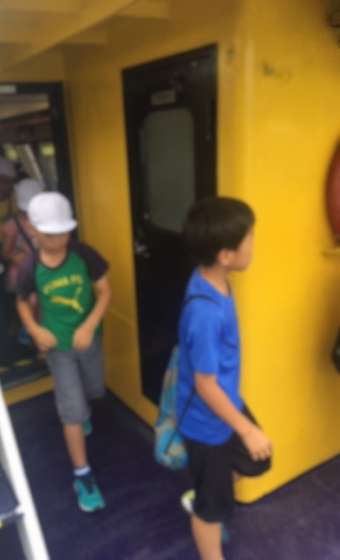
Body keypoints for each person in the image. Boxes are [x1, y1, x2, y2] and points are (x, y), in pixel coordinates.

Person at [177, 197, 272, 560]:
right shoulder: (205, 313)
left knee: (257, 460)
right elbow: (205, 385)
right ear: (226, 256)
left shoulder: (213, 278)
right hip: (206, 422)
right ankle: (207, 511)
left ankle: (206, 493)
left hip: (223, 405)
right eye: (249, 238)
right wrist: (245, 429)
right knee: (211, 510)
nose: (253, 243)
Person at [16, 192, 111, 513]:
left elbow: (104, 291)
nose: (58, 241)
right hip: (58, 348)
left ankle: (81, 414)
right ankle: (82, 475)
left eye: (64, 233)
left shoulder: (84, 255)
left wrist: (89, 326)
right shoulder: (30, 267)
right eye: (50, 235)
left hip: (89, 341)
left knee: (95, 389)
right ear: (33, 231)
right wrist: (35, 330)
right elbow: (22, 302)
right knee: (72, 412)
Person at [1, 178, 43, 293]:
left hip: (23, 275)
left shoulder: (12, 224)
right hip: (42, 274)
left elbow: (6, 254)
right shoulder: (49, 221)